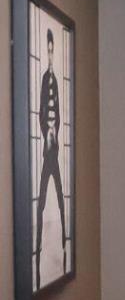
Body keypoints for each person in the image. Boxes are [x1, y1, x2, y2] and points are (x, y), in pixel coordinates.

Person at [34, 28, 67, 281]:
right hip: (48, 151)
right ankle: (36, 246)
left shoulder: (56, 80)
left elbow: (60, 113)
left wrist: (56, 131)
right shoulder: (46, 79)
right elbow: (40, 112)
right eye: (48, 50)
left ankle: (65, 237)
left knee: (62, 197)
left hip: (55, 149)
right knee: (42, 199)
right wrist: (47, 132)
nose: (50, 54)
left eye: (52, 50)